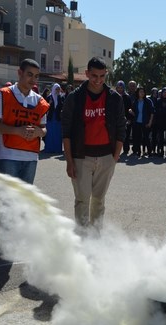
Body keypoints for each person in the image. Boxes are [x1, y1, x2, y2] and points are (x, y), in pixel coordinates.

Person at [61, 56, 125, 231]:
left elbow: (121, 128)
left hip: (106, 157)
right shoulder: (74, 98)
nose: (98, 80)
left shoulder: (114, 98)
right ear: (87, 73)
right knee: (82, 200)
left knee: (99, 201)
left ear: (106, 75)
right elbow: (66, 131)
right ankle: (82, 239)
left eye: (102, 76)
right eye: (94, 75)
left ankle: (96, 242)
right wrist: (69, 160)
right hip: (81, 156)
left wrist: (115, 157)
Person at [0, 58, 49, 184]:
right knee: (7, 200)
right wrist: (17, 131)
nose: (33, 80)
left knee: (25, 201)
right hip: (8, 156)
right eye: (29, 74)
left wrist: (38, 132)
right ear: (20, 73)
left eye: (36, 76)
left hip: (31, 157)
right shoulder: (3, 94)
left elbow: (44, 129)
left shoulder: (40, 101)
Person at [130, 86, 154, 157]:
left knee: (146, 138)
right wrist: (131, 111)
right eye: (140, 92)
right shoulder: (136, 101)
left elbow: (152, 112)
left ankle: (149, 152)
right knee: (137, 138)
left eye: (143, 92)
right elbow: (134, 112)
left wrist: (150, 122)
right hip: (137, 122)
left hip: (145, 122)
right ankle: (138, 151)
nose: (142, 93)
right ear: (138, 93)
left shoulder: (148, 101)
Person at [153, 87, 166, 158]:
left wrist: (163, 111)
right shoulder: (158, 101)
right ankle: (160, 151)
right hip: (160, 122)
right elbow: (156, 111)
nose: (165, 94)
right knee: (160, 138)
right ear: (161, 93)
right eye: (164, 92)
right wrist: (163, 112)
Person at [43, 82, 63, 153]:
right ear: (54, 89)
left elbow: (62, 106)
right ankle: (49, 148)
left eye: (59, 89)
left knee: (57, 134)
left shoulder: (60, 97)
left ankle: (57, 149)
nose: (58, 91)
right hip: (51, 117)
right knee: (50, 133)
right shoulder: (49, 97)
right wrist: (49, 104)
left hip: (57, 118)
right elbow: (45, 107)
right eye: (56, 89)